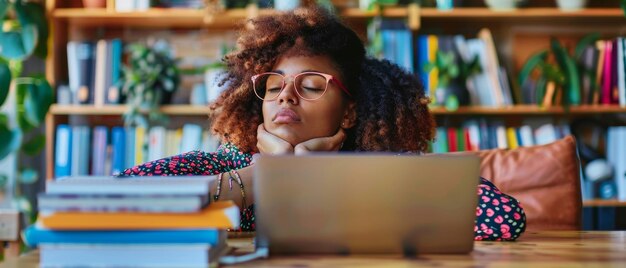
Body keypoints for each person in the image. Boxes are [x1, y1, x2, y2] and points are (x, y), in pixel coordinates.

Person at [119, 7, 526, 241]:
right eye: (274, 85)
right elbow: (111, 206)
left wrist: (328, 176)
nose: (286, 96)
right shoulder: (219, 167)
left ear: (348, 112)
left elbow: (503, 219)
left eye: (311, 85)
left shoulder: (381, 169)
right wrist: (259, 178)